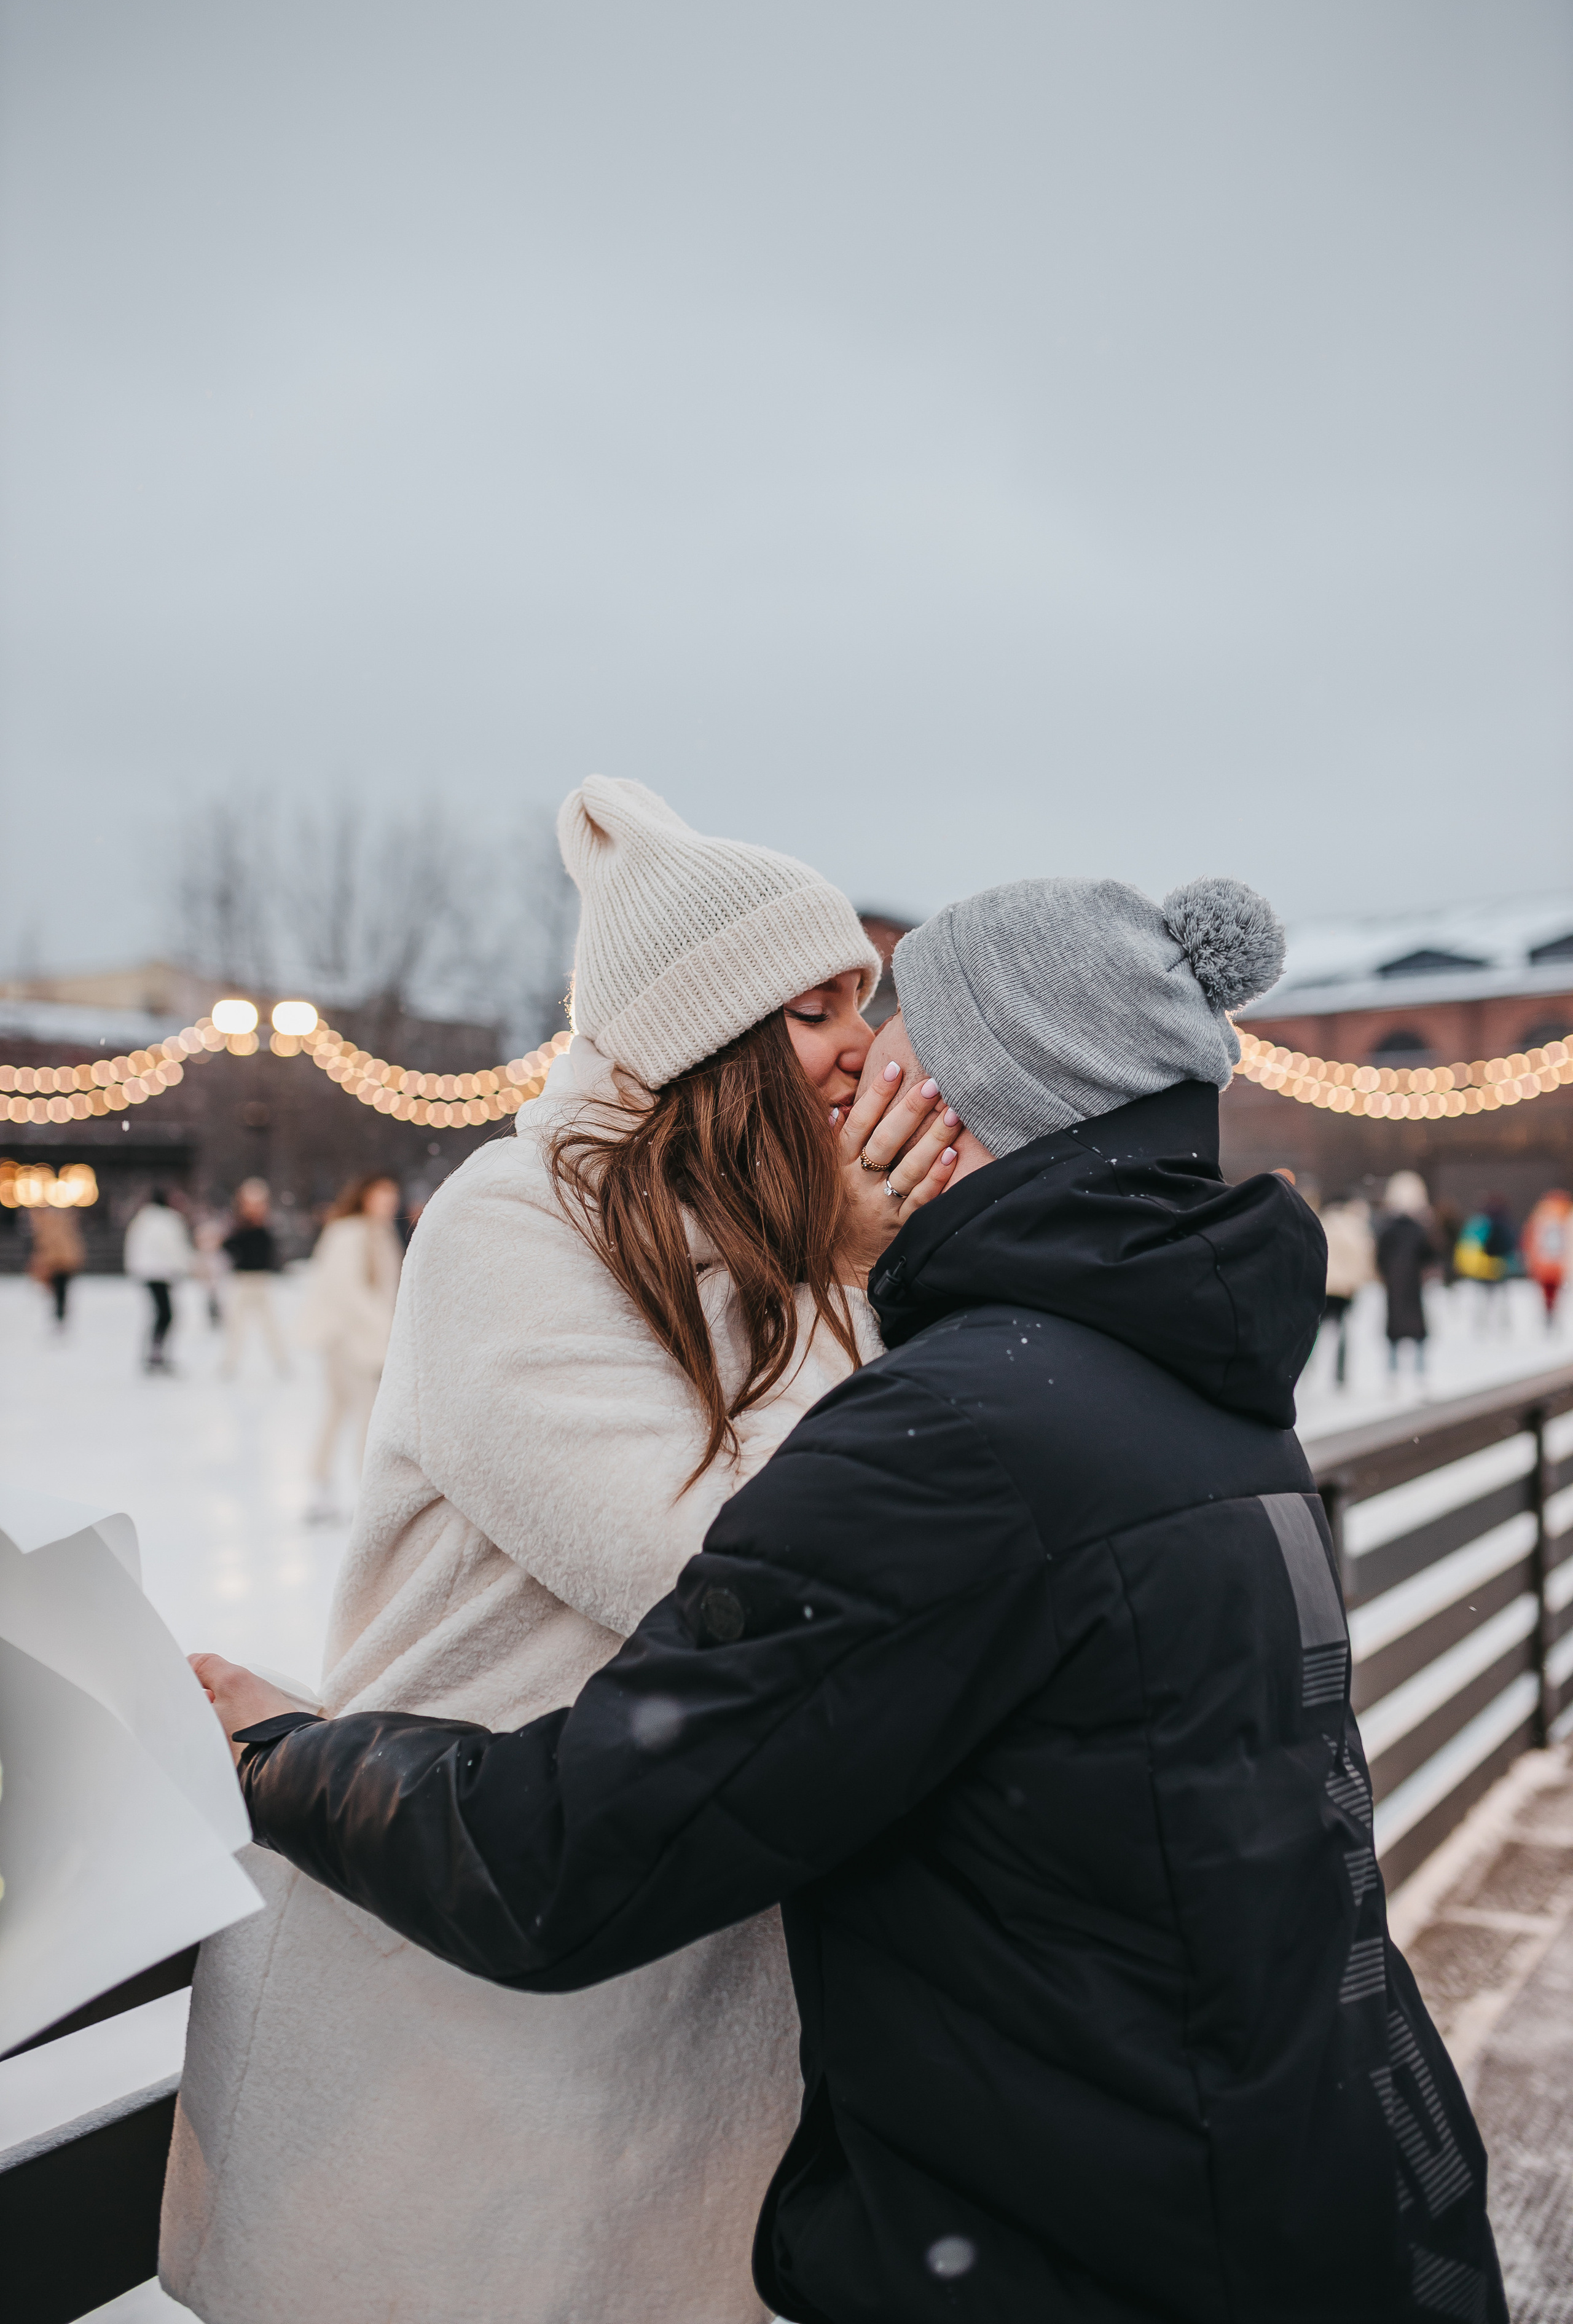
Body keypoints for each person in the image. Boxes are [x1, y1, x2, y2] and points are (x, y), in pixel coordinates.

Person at [197, 871, 1506, 2324]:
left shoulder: (972, 1422)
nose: (861, 1051)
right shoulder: (1175, 1374)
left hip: (1084, 2227)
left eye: (883, 1017)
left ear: (963, 1088)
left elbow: (572, 1842)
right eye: (819, 1011)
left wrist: (279, 1749)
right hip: (1276, 2171)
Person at [163, 778, 960, 2324]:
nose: (861, 1043)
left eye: (858, 998)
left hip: (668, 1963)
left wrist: (844, 1279)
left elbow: (892, 1545)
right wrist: (851, 1282)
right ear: (700, 1034)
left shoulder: (769, 1249)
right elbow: (732, 1577)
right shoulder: (520, 1226)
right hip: (452, 1965)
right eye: (809, 1009)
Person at [296, 1171, 403, 1520]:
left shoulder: (378, 1232)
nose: (389, 1203)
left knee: (345, 1410)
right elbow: (348, 1291)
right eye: (381, 1195)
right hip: (347, 1340)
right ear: (364, 1196)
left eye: (392, 1196)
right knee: (363, 1413)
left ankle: (324, 1486)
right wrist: (386, 1325)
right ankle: (357, 1490)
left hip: (362, 1339)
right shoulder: (350, 1232)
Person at [220, 1177, 290, 1375]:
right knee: (236, 1326)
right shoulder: (238, 1228)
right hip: (242, 1282)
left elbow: (270, 1254)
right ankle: (230, 1363)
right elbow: (228, 1248)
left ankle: (282, 1362)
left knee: (270, 1325)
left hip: (261, 1282)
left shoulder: (265, 1229)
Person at [123, 1187, 193, 1372]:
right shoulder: (167, 1220)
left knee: (162, 1314)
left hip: (148, 1273)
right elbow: (174, 1248)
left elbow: (134, 1247)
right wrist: (185, 1266)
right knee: (166, 1315)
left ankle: (156, 1353)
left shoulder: (143, 1220)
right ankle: (156, 1354)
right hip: (161, 1273)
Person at [1376, 1169, 1437, 1381]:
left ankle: (1394, 1372)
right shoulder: (1418, 1230)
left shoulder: (1388, 1230)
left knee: (1395, 1326)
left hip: (1395, 1285)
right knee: (1416, 1326)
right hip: (1412, 1286)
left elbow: (1380, 1257)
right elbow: (1429, 1255)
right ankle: (1418, 1372)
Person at [1318, 1192, 1375, 1386]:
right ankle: (1340, 1373)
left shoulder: (1322, 1223)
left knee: (1314, 1331)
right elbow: (1364, 1258)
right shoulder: (1356, 1228)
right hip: (1346, 1288)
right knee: (1343, 1332)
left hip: (1324, 1286)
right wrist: (1361, 1280)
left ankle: (1304, 1370)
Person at [1454, 1194, 1517, 1333]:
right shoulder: (1503, 1222)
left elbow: (1470, 1246)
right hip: (1499, 1265)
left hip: (1484, 1266)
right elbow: (1511, 1243)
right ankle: (1502, 1324)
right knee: (1500, 1298)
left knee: (1483, 1298)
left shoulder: (1480, 1222)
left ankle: (1484, 1324)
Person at [27, 1200, 85, 1330]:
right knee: (59, 1293)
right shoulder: (58, 1224)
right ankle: (59, 1316)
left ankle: (60, 1317)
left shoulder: (54, 1225)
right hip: (57, 1263)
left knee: (60, 1293)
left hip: (60, 1263)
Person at [1521, 1187, 1571, 1327]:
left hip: (1544, 1264)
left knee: (1548, 1294)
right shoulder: (1566, 1216)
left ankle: (1549, 1315)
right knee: (1557, 1294)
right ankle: (1552, 1316)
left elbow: (1530, 1239)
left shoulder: (1540, 1217)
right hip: (1560, 1265)